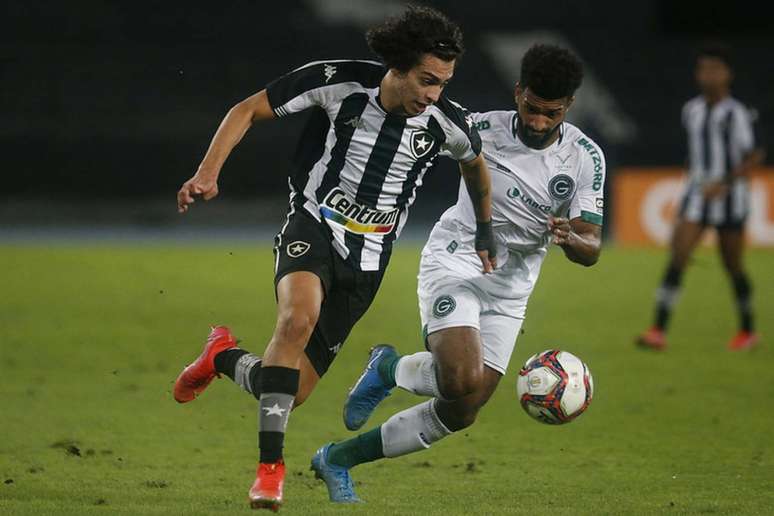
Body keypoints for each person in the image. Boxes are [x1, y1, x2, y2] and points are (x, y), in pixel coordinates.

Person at [171, 5, 496, 511]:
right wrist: (208, 172)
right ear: (398, 66)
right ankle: (269, 473)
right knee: (296, 319)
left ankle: (222, 357)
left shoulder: (444, 123)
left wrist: (485, 228)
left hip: (367, 265)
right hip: (313, 225)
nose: (434, 94)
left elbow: (475, 167)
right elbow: (246, 110)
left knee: (288, 390)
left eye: (443, 84)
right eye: (427, 80)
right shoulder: (338, 83)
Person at [308, 43, 604, 503]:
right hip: (456, 259)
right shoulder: (479, 128)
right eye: (530, 108)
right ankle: (387, 367)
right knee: (459, 379)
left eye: (551, 114)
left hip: (512, 288)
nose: (538, 122)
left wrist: (571, 238)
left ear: (568, 106)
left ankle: (339, 456)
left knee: (463, 409)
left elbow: (592, 247)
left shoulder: (586, 158)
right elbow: (403, 140)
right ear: (518, 91)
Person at [637, 45, 764, 351]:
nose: (708, 75)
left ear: (727, 74)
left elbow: (754, 155)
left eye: (715, 69)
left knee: (732, 264)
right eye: (704, 69)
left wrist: (725, 183)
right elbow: (694, 155)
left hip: (730, 197)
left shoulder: (737, 113)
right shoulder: (691, 110)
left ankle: (747, 330)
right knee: (678, 255)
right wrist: (691, 183)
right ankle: (657, 330)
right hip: (697, 196)